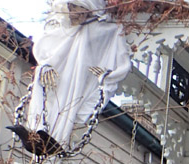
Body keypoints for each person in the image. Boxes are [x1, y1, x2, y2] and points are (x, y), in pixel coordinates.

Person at [21, 0, 130, 153]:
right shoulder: (62, 27)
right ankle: (40, 136)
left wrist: (107, 76)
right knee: (50, 109)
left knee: (68, 113)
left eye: (77, 8)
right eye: (70, 7)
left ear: (88, 9)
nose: (73, 12)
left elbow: (122, 63)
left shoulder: (107, 31)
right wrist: (45, 66)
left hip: (81, 86)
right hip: (57, 83)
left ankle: (56, 142)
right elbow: (44, 49)